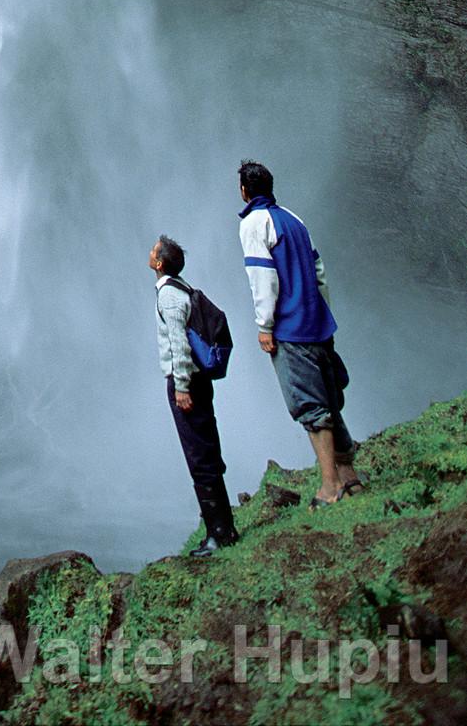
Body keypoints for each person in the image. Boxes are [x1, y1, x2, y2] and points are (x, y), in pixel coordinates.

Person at [238, 159, 363, 506]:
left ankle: (329, 487)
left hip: (291, 330)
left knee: (311, 407)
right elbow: (319, 272)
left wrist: (265, 326)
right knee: (328, 401)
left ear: (244, 191)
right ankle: (350, 478)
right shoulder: (294, 220)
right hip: (318, 324)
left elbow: (263, 277)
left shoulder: (253, 223)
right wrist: (322, 312)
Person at [150, 234, 239, 553]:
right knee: (205, 447)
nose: (148, 254)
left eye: (153, 252)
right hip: (200, 380)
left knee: (198, 453)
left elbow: (179, 344)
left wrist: (182, 387)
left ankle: (219, 533)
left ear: (159, 263)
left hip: (186, 381)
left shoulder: (169, 297)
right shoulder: (182, 288)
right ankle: (223, 527)